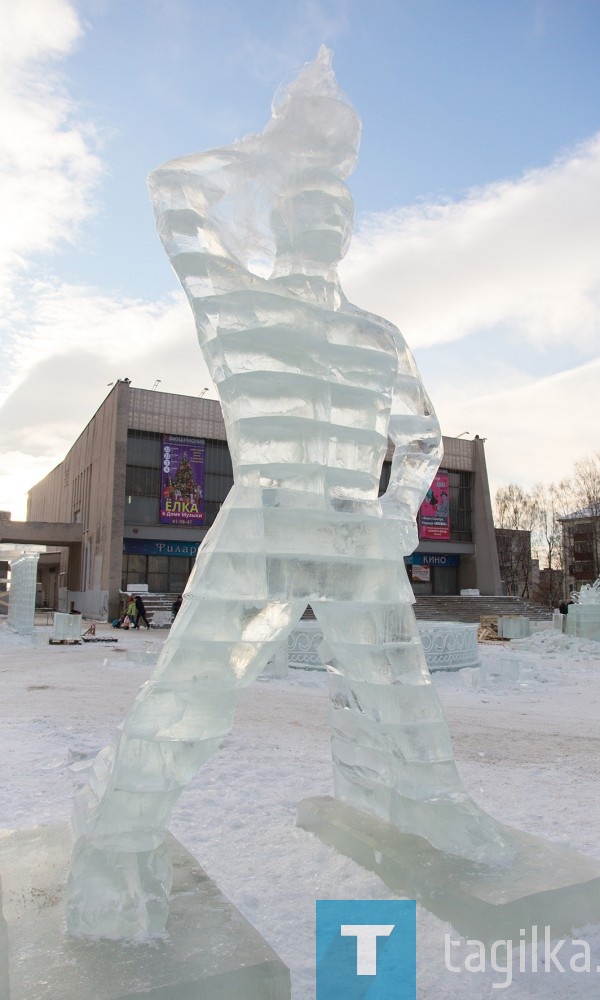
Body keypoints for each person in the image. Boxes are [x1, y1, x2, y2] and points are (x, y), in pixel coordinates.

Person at [67, 49, 513, 940]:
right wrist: (273, 148)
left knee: (401, 689)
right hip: (266, 517)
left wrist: (394, 514)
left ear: (348, 228)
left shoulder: (377, 336)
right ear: (278, 217)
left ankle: (429, 801)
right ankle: (118, 840)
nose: (320, 220)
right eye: (302, 205)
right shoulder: (235, 304)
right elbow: (170, 194)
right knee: (192, 693)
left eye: (331, 208)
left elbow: (422, 437)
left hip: (352, 526)